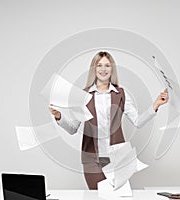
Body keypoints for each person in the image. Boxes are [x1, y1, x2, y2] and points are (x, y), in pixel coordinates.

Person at [49, 51, 168, 189]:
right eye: (99, 65)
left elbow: (138, 122)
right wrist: (59, 117)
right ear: (94, 69)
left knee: (117, 197)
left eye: (107, 65)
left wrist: (156, 105)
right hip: (92, 160)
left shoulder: (121, 94)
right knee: (96, 196)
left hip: (117, 159)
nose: (103, 69)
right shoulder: (83, 95)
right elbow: (72, 129)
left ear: (112, 69)